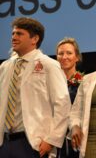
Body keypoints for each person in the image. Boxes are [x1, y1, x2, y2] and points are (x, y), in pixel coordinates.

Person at [0, 17, 71, 157]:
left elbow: (62, 105)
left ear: (34, 39)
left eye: (19, 34)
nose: (13, 37)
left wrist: (51, 140)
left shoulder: (49, 65)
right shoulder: (5, 66)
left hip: (33, 143)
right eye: (13, 34)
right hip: (5, 142)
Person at [56, 37, 84, 158]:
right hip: (56, 138)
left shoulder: (85, 83)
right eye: (60, 53)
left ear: (77, 57)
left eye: (69, 53)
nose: (64, 57)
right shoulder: (52, 84)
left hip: (78, 136)